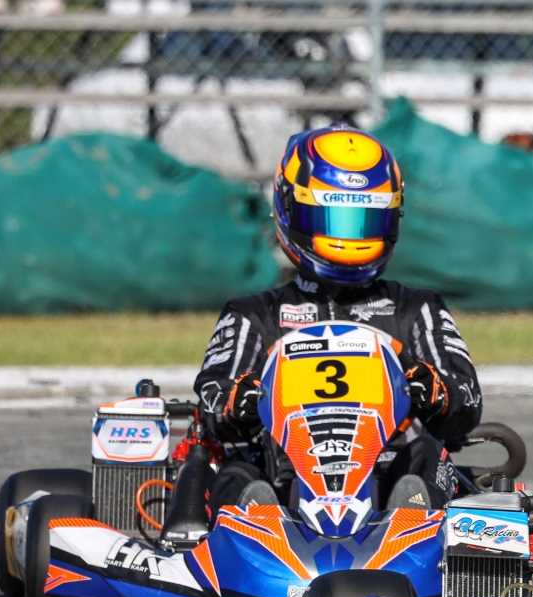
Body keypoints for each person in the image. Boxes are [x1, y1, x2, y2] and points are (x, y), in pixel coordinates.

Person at [193, 125, 482, 514]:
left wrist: (432, 389)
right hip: (284, 485)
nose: (350, 238)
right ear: (290, 209)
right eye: (334, 220)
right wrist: (240, 399)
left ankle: (412, 523)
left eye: (364, 222)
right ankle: (254, 527)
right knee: (236, 470)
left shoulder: (416, 310)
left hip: (387, 487)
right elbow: (212, 405)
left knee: (429, 454)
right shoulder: (254, 316)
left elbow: (467, 402)